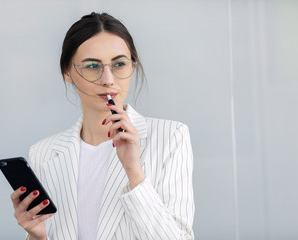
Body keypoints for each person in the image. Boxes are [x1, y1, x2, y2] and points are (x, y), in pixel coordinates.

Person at [10, 12, 195, 240]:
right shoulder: (44, 153)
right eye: (91, 66)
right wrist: (37, 236)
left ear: (132, 66)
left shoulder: (170, 137)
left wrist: (134, 172)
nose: (108, 79)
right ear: (67, 72)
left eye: (119, 64)